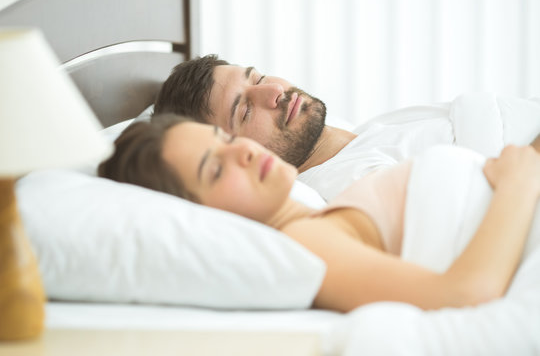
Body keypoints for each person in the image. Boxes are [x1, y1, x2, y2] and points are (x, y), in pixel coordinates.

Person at [98, 114, 540, 312]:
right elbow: (462, 297)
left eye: (227, 140)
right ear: (199, 216)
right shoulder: (306, 245)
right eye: (215, 168)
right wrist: (520, 184)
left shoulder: (319, 214)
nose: (245, 154)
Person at [153, 54, 540, 200]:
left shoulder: (369, 130)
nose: (274, 91)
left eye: (258, 77)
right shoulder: (347, 186)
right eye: (244, 111)